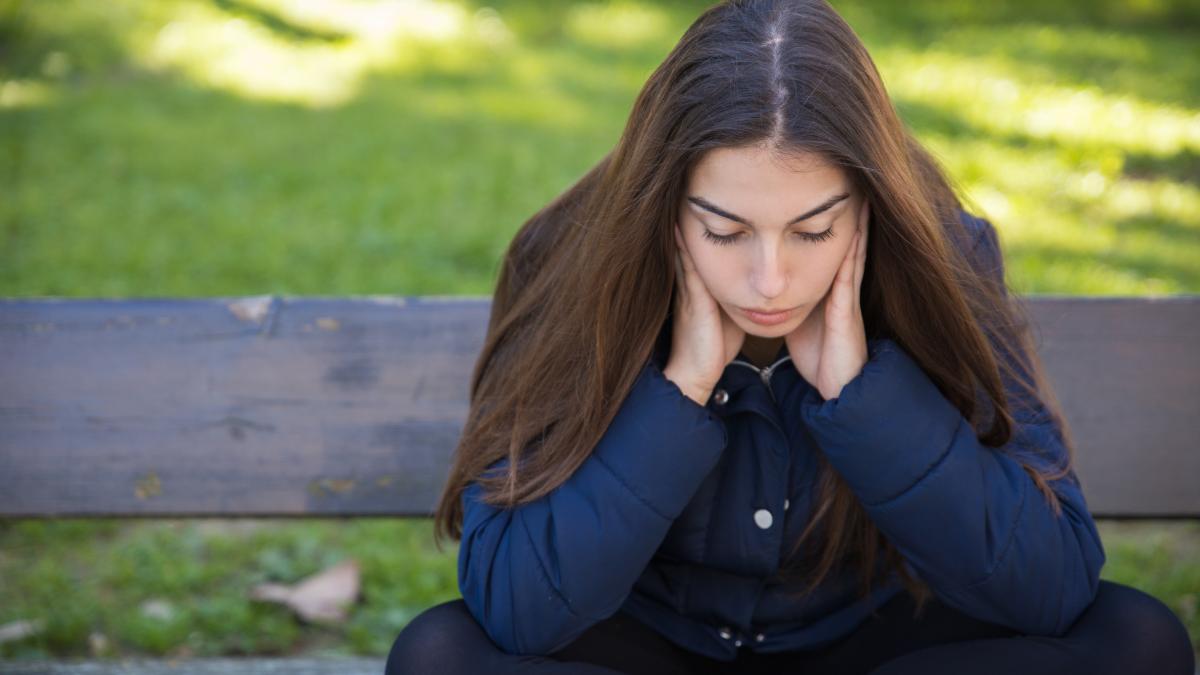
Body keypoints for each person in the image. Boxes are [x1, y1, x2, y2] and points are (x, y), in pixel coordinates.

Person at [386, 0, 1196, 673]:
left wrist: (865, 396)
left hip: (871, 642)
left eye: (813, 231)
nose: (768, 280)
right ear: (666, 207)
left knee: (1138, 640)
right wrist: (681, 391)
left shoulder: (942, 259)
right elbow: (515, 607)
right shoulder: (567, 258)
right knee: (440, 655)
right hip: (650, 642)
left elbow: (1053, 584)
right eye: (724, 230)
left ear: (867, 205)